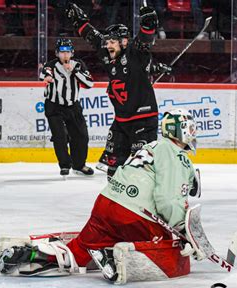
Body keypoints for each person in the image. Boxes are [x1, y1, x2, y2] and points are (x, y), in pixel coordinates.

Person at [0, 109, 203, 283]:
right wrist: (183, 233)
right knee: (175, 257)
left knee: (79, 251)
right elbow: (167, 200)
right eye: (191, 129)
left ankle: (33, 253)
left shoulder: (150, 145)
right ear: (181, 131)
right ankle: (115, 255)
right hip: (135, 216)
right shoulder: (178, 157)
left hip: (106, 205)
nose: (193, 133)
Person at [64, 4, 171, 177]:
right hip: (121, 121)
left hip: (143, 120)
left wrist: (149, 23)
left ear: (124, 41)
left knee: (142, 167)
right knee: (113, 169)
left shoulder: (135, 52)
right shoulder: (108, 54)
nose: (108, 45)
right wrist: (80, 22)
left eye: (112, 41)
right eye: (107, 42)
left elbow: (145, 39)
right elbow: (93, 37)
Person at [39, 38, 95, 177]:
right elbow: (45, 73)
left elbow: (89, 83)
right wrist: (47, 77)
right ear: (57, 53)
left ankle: (79, 165)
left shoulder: (79, 65)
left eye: (68, 52)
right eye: (62, 52)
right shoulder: (51, 65)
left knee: (81, 136)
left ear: (72, 53)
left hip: (73, 106)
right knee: (60, 136)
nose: (65, 55)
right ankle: (64, 165)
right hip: (54, 106)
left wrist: (74, 72)